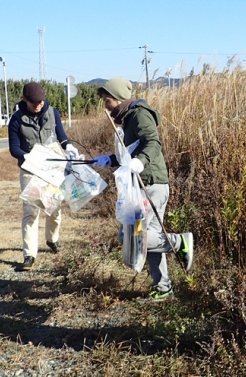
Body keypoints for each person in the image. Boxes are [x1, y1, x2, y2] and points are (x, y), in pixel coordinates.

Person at [94, 77, 194, 301]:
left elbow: (152, 142)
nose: (106, 106)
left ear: (119, 99)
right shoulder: (128, 119)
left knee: (132, 237)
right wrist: (109, 160)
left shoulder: (139, 114)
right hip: (144, 183)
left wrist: (141, 162)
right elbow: (130, 153)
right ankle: (163, 288)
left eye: (108, 101)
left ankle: (180, 242)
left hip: (150, 184)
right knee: (147, 237)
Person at [8, 82, 80, 271]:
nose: (38, 105)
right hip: (30, 170)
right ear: (24, 99)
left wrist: (69, 146)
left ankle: (52, 239)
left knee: (54, 208)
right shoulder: (16, 120)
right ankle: (29, 254)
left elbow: (61, 136)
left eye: (41, 101)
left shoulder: (52, 113)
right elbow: (14, 148)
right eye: (34, 102)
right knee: (31, 212)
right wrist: (28, 156)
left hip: (52, 168)